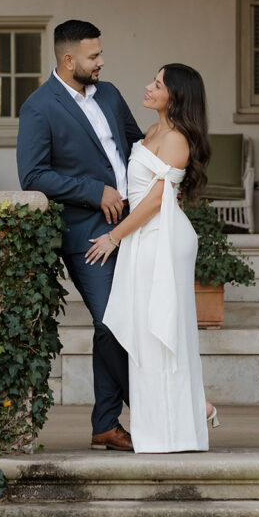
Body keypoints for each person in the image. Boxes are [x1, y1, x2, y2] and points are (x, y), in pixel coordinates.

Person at [17, 20, 143, 451]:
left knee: (124, 323)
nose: (101, 61)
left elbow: (136, 146)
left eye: (100, 53)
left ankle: (105, 424)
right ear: (68, 60)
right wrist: (95, 191)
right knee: (110, 320)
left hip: (134, 226)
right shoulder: (39, 107)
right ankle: (152, 408)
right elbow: (33, 175)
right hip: (87, 234)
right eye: (94, 56)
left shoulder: (109, 94)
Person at [85, 64, 217, 453]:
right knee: (142, 332)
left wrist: (114, 237)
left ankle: (180, 422)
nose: (148, 87)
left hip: (160, 239)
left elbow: (157, 200)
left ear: (175, 96)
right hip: (142, 237)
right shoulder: (152, 131)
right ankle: (183, 414)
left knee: (160, 328)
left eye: (157, 84)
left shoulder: (176, 139)